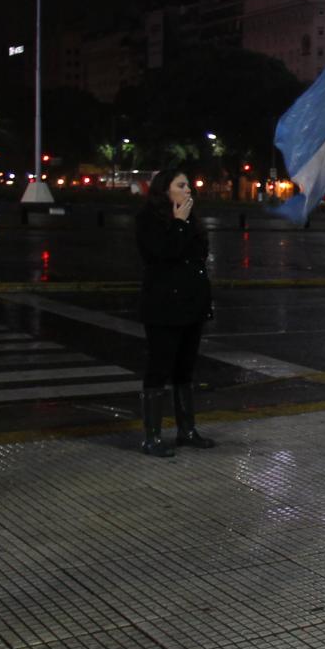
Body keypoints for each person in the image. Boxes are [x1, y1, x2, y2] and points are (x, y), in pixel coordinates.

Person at [136, 169, 216, 458]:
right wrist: (179, 223)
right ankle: (152, 436)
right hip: (163, 306)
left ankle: (187, 430)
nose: (188, 190)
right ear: (165, 190)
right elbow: (163, 253)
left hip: (191, 304)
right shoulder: (150, 221)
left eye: (189, 185)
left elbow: (197, 258)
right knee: (159, 367)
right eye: (181, 185)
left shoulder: (190, 220)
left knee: (185, 368)